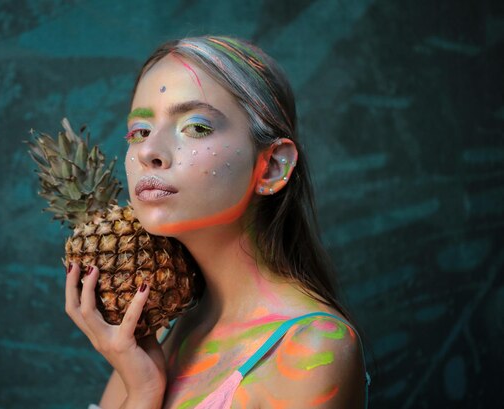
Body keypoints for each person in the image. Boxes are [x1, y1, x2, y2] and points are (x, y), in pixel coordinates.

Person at [65, 35, 370, 409]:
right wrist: (142, 389)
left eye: (196, 127)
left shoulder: (313, 348)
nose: (148, 152)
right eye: (139, 132)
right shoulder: (161, 328)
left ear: (272, 167)